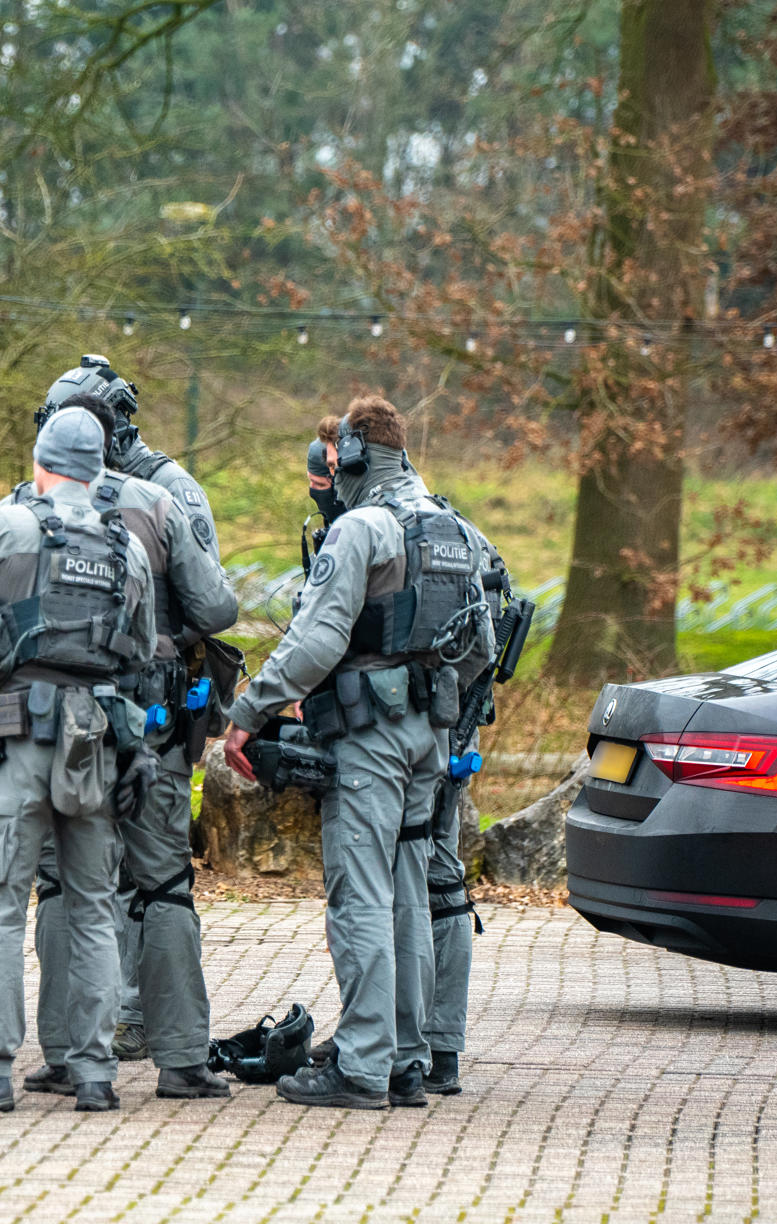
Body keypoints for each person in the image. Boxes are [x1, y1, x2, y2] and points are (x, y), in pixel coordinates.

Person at [224, 396, 494, 1109]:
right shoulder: (455, 530)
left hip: (369, 740)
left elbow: (316, 641)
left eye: (338, 463)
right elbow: (482, 652)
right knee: (409, 888)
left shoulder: (365, 530)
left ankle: (363, 1066)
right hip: (427, 740)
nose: (332, 476)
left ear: (360, 458)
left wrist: (247, 713)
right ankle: (406, 1058)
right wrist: (434, 716)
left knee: (361, 897)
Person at [0, 407, 157, 1113]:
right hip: (94, 744)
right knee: (94, 907)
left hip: (14, 735)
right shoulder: (125, 548)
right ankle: (93, 1071)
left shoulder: (10, 525)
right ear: (99, 470)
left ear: (43, 462)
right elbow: (138, 650)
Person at [24, 391, 239, 1102]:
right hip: (153, 718)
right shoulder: (158, 503)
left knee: (60, 881)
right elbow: (217, 609)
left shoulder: (24, 506)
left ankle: (62, 1054)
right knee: (164, 882)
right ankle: (182, 1059)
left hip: (60, 721)